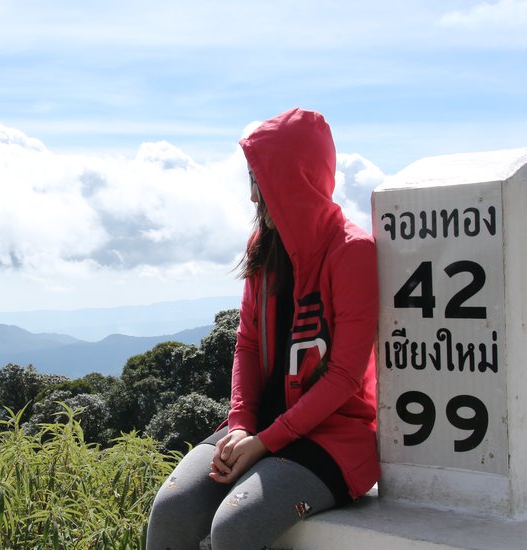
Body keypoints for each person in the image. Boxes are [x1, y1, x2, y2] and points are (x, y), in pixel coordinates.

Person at [145, 108, 380, 549]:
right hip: (260, 426)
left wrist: (266, 442)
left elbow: (346, 378)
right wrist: (239, 426)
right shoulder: (264, 247)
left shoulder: (352, 252)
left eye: (261, 181)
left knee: (236, 529)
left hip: (332, 436)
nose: (255, 197)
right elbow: (248, 343)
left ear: (294, 180)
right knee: (171, 512)